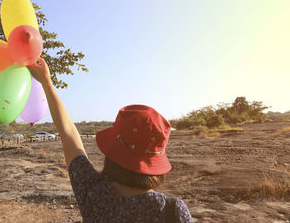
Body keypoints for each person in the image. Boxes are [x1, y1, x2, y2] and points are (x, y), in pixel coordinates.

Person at [28, 58, 193, 223]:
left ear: (114, 149)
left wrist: (46, 82)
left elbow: (68, 132)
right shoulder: (172, 210)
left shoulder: (93, 193)